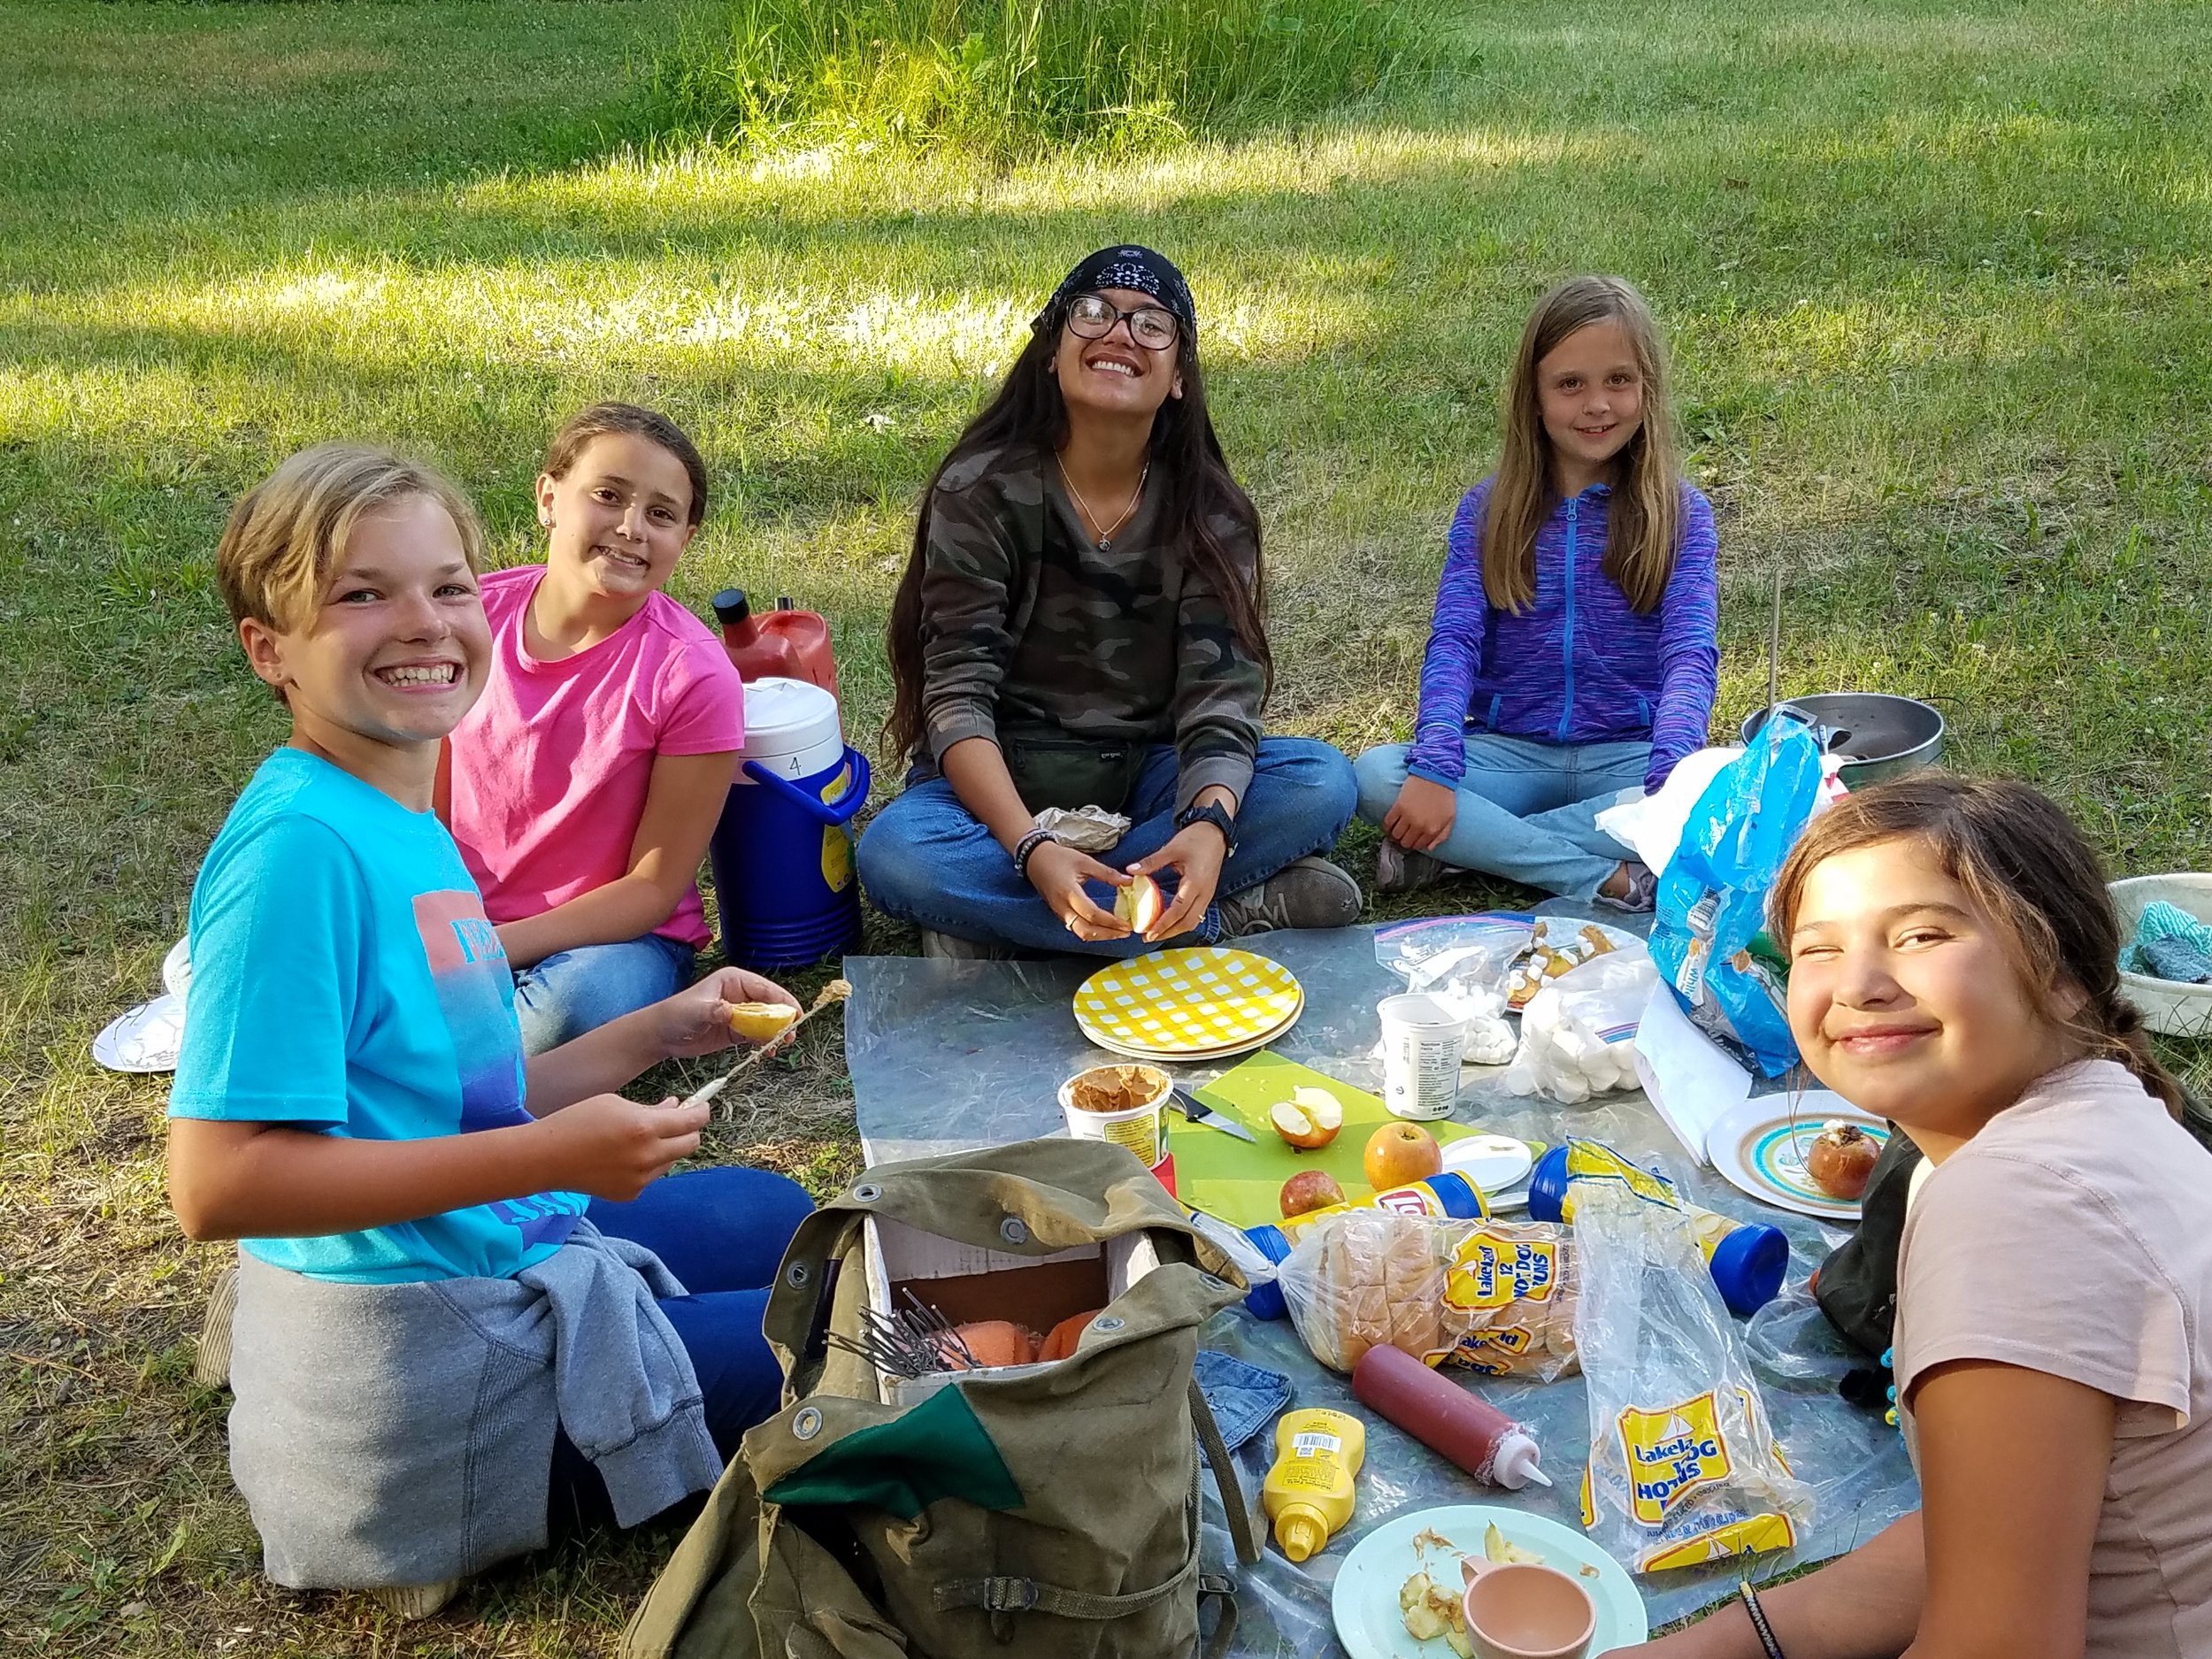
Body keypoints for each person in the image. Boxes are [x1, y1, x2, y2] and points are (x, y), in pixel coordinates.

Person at [170, 443, 813, 1619]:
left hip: (479, 1248)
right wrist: (551, 1158)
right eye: (362, 593)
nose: (422, 624)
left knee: (784, 1221)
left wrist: (658, 1025)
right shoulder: (298, 854)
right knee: (843, 1350)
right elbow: (219, 1184)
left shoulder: (397, 804)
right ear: (272, 649)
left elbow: (464, 1088)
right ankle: (451, 1517)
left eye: (447, 585)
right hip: (411, 1380)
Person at [1615, 774, 2212, 1659]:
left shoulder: (2015, 1208)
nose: (1858, 984)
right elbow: (1974, 1542)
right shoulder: (2098, 1116)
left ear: (2063, 978)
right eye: (1818, 949)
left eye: (1921, 935)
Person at [857, 244, 1360, 958]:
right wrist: (1032, 846)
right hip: (1001, 782)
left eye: (1153, 324)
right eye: (1093, 313)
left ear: (1180, 376)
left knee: (1321, 781)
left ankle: (1023, 925)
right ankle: (1212, 913)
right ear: (1052, 350)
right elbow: (956, 698)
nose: (1121, 333)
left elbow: (1222, 702)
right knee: (898, 853)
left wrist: (1209, 827)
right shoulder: (980, 490)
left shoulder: (1210, 513)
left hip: (1148, 775)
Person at [1353, 275, 1718, 910]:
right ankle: (1600, 877)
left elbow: (1689, 653)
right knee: (1376, 776)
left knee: (1728, 786)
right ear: (1535, 396)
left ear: (1648, 389)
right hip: (1508, 755)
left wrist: (1671, 782)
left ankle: (1466, 853)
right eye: (1570, 384)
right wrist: (1437, 768)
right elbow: (1456, 640)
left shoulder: (1681, 512)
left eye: (1619, 381)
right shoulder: (1489, 509)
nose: (1597, 404)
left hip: (1629, 759)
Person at [443, 403, 744, 1054]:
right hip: (458, 919)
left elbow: (652, 889)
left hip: (615, 942)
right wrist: (439, 932)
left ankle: (443, 1056)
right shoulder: (468, 620)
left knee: (579, 1009)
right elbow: (412, 805)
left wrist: (487, 950)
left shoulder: (692, 676)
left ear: (685, 539)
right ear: (549, 497)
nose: (632, 528)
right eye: (608, 495)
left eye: (662, 514)